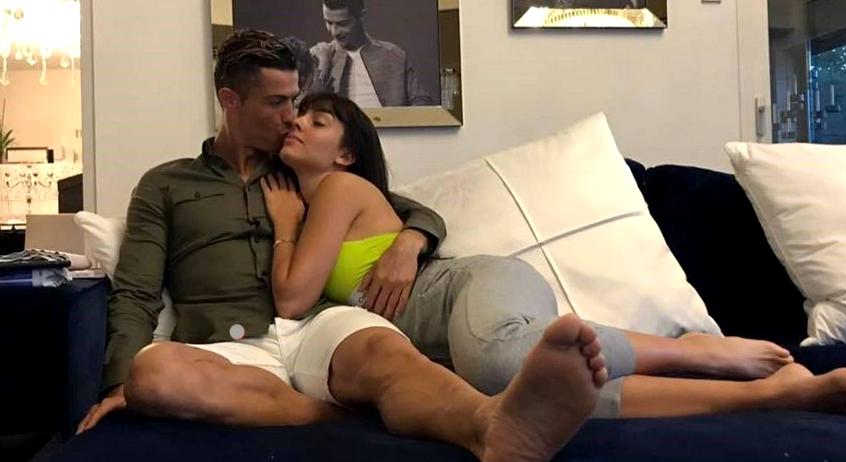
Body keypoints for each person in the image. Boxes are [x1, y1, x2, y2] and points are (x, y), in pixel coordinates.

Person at [76, 29, 605, 462]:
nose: (291, 116)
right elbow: (137, 293)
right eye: (277, 102)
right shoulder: (166, 184)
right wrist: (119, 383)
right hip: (223, 347)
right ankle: (337, 413)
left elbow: (403, 206)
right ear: (230, 101)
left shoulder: (303, 166)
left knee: (384, 352)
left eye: (295, 100)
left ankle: (489, 426)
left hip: (318, 325)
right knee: (152, 375)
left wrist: (410, 241)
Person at [262, 91, 846, 421]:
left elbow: (292, 298)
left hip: (469, 292)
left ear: (346, 155)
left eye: (317, 122)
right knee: (533, 400)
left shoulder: (337, 190)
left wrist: (286, 227)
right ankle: (766, 395)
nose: (298, 124)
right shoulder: (317, 207)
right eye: (298, 116)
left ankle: (695, 351)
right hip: (450, 343)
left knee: (499, 364)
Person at [309, 0, 433, 107]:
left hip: (389, 126)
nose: (334, 32)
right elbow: (306, 109)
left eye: (343, 24)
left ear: (361, 17)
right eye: (329, 23)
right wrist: (322, 66)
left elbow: (422, 101)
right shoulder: (318, 56)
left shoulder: (394, 56)